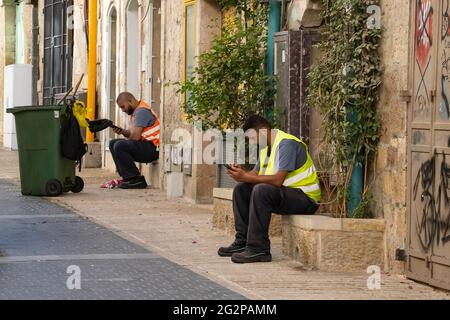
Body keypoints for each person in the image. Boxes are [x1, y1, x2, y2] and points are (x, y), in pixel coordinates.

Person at [218, 115, 321, 263]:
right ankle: (242, 242)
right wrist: (242, 174)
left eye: (253, 138)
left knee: (261, 190)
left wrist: (247, 177)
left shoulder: (286, 144)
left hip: (306, 199)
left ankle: (259, 249)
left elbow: (278, 180)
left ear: (264, 132)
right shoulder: (265, 149)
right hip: (286, 194)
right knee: (242, 189)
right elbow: (255, 175)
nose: (252, 142)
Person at [102, 92, 160, 189]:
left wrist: (127, 138)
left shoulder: (141, 112)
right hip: (147, 146)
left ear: (130, 101)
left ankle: (136, 179)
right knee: (113, 143)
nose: (123, 110)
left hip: (153, 148)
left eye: (123, 107)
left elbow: (135, 137)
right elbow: (133, 134)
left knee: (120, 146)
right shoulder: (137, 111)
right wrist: (123, 132)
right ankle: (127, 177)